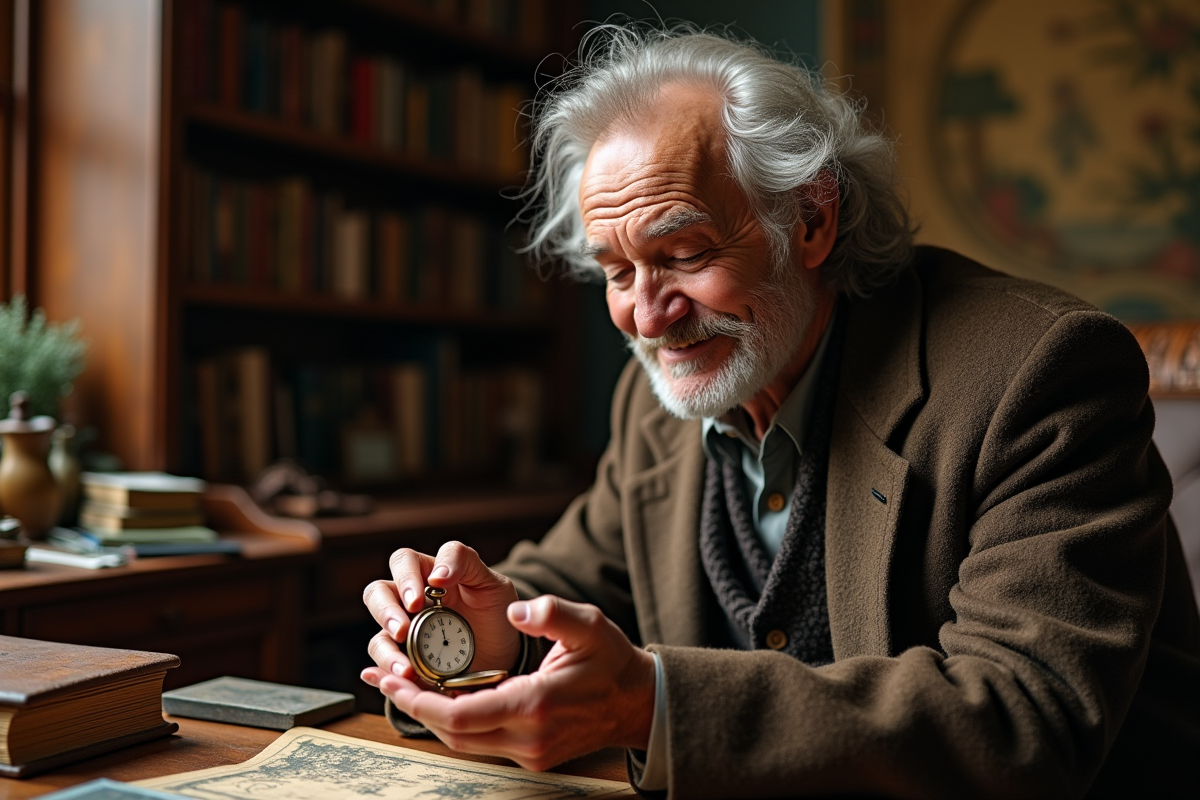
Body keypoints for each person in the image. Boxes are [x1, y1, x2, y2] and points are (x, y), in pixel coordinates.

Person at [361, 23, 1200, 798]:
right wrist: (482, 636)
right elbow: (569, 587)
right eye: (617, 272)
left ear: (810, 218)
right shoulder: (661, 398)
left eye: (684, 254)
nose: (647, 317)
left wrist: (651, 706)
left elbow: (1023, 722)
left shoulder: (1041, 371)